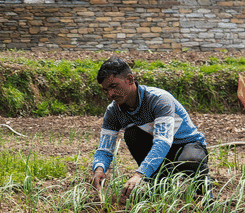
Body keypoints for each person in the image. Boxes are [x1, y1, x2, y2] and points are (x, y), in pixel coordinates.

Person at [90, 57, 210, 203]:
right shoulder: (113, 111)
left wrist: (139, 174)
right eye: (106, 90)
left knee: (191, 160)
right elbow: (104, 148)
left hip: (186, 145)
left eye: (114, 86)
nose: (110, 94)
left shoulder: (159, 100)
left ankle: (204, 197)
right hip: (158, 151)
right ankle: (159, 187)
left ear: (129, 79)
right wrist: (99, 169)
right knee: (132, 134)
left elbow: (163, 142)